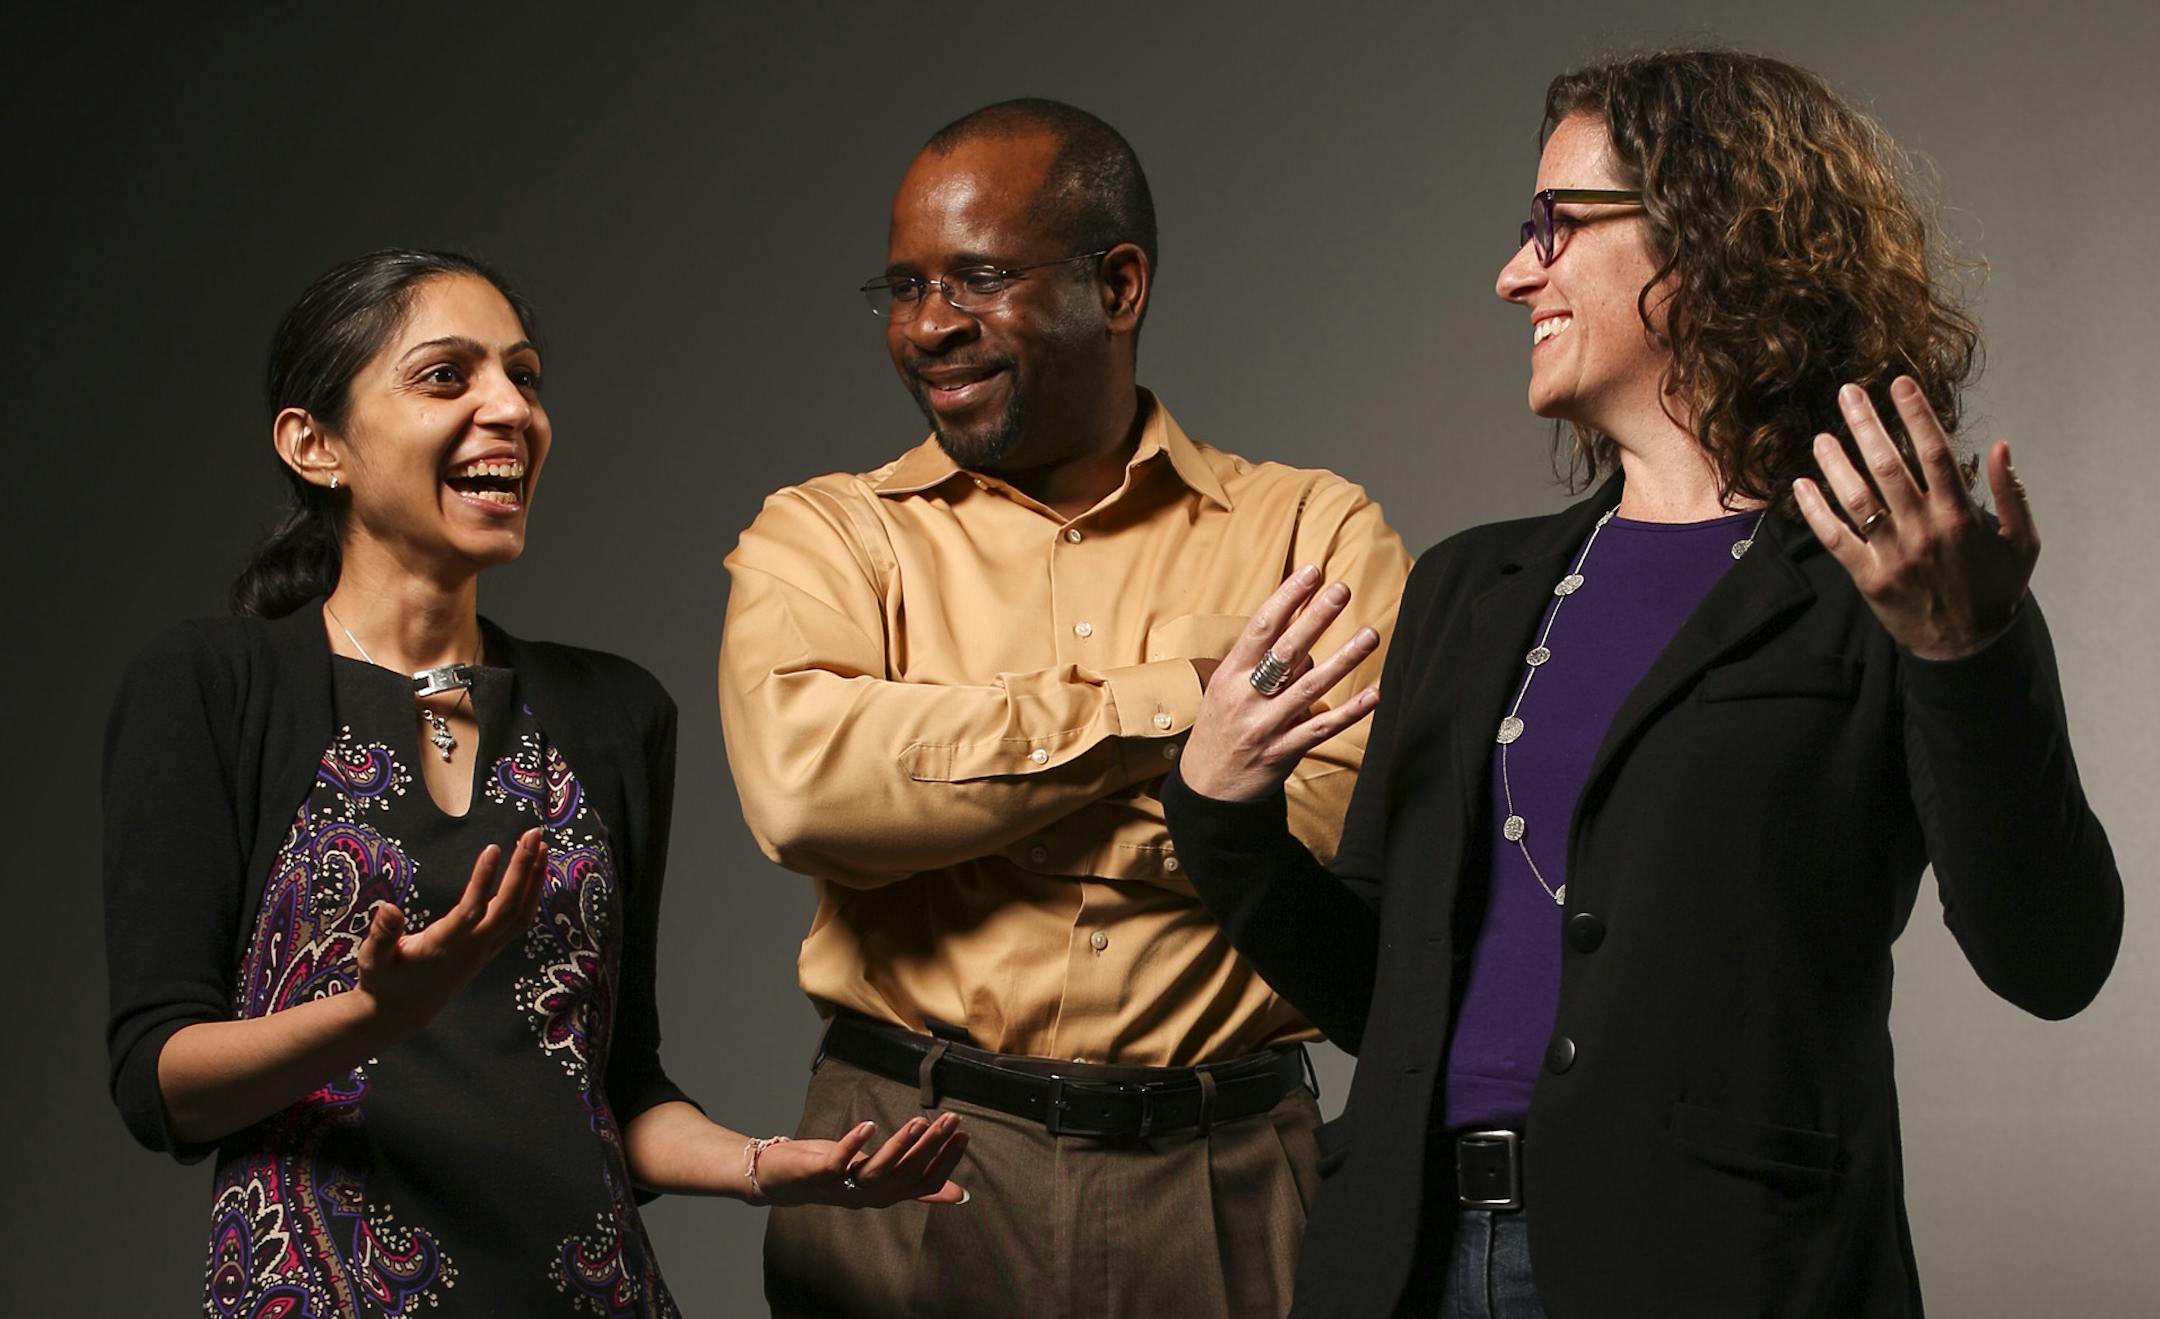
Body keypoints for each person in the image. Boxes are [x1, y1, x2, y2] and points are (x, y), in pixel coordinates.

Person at [1161, 50, 2123, 1318]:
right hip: (1406, 1263)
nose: (1515, 273)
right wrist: (1221, 810)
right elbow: (1375, 1000)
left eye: (1553, 224)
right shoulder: (1469, 587)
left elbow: (2052, 957)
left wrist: (1966, 657)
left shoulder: (1900, 578)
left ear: (1708, 234)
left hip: (1721, 1267)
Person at [103, 249, 967, 1319]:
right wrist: (374, 1013)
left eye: (525, 375)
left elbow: (621, 1087)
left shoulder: (613, 710)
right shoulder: (210, 686)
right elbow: (160, 1078)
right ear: (314, 444)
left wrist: (766, 1165)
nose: (510, 408)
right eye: (446, 376)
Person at [718, 99, 1410, 1318]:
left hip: (1227, 1178)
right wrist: (1184, 716)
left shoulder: (1312, 530)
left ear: (1120, 284)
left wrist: (947, 814)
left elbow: (1336, 844)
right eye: (904, 286)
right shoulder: (826, 534)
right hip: (905, 1166)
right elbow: (806, 795)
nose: (929, 325)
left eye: (976, 278)